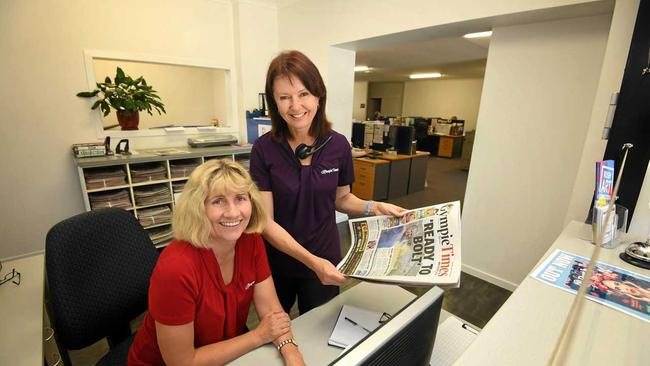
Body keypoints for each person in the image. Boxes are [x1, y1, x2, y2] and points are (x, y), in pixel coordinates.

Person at [250, 50, 406, 315]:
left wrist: (373, 207)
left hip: (325, 257)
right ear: (275, 103)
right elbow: (265, 222)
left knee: (319, 329)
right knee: (275, 330)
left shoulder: (338, 145)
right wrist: (311, 262)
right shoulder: (264, 149)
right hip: (278, 261)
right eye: (284, 97)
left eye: (303, 94)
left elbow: (341, 198)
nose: (295, 106)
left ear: (318, 95)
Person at [128, 159, 304, 366]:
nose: (233, 212)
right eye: (218, 201)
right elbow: (182, 362)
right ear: (198, 207)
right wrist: (257, 336)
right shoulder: (176, 268)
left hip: (227, 351)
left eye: (240, 198)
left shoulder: (250, 240)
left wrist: (291, 351)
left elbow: (272, 312)